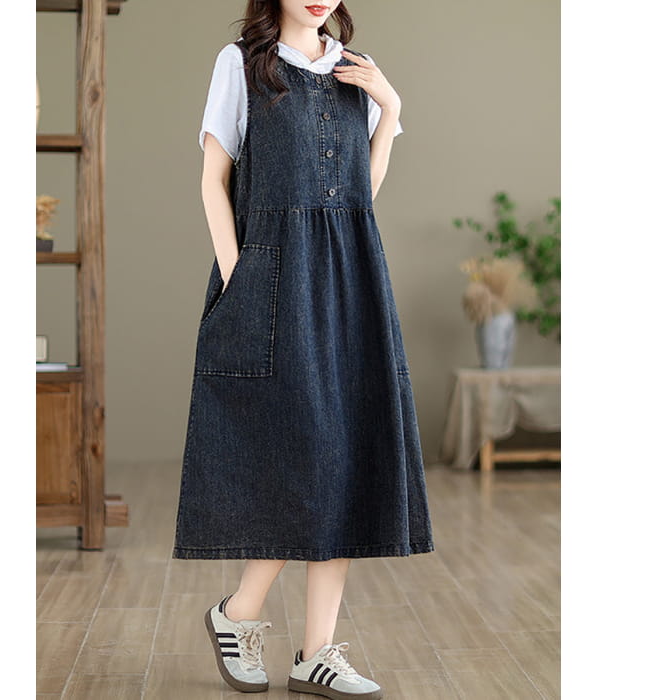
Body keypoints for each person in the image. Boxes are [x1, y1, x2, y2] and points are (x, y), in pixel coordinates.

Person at [173, 2, 434, 698]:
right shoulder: (241, 65)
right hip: (270, 277)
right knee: (300, 455)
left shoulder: (357, 71)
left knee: (343, 456)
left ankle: (314, 651)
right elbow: (212, 179)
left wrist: (390, 109)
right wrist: (239, 277)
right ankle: (239, 613)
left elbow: (358, 195)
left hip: (350, 277)